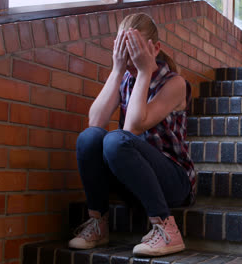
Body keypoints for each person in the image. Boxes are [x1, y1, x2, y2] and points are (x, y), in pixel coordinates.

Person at [68, 13, 196, 257]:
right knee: (90, 138)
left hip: (174, 181)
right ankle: (98, 223)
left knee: (117, 140)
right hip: (133, 177)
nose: (129, 58)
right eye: (123, 50)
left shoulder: (175, 83)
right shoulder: (125, 78)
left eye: (134, 49)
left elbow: (134, 128)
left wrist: (145, 71)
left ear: (155, 48)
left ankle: (167, 229)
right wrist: (117, 70)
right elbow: (95, 121)